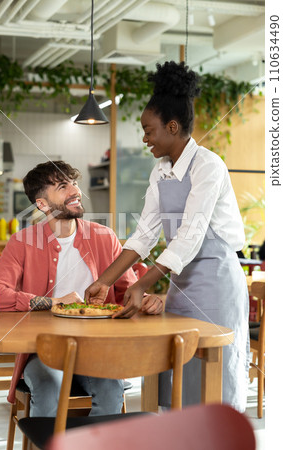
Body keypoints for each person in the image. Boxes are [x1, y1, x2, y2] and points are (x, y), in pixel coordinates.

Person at [85, 61, 250, 412]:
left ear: (172, 127)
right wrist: (105, 280)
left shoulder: (209, 166)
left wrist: (142, 284)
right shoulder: (160, 172)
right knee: (177, 374)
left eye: (149, 131)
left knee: (211, 381)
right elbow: (144, 234)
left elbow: (189, 235)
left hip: (216, 283)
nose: (145, 139)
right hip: (182, 284)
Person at [0, 160, 163, 417]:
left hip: (97, 348)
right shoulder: (22, 241)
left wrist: (144, 299)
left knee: (112, 389)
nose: (75, 191)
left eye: (75, 183)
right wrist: (55, 302)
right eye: (62, 186)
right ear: (42, 204)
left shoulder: (104, 237)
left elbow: (125, 291)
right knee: (47, 389)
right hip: (43, 351)